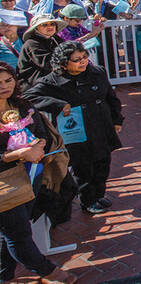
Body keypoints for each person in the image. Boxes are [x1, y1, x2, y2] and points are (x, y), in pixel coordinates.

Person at [25, 41, 123, 216]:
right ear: (63, 63)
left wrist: (117, 120)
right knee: (83, 168)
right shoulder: (52, 81)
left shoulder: (97, 72)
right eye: (76, 60)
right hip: (77, 132)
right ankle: (88, 200)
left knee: (103, 163)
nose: (83, 61)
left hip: (101, 126)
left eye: (84, 57)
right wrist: (57, 104)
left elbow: (111, 97)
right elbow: (29, 96)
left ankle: (98, 195)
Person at [0, 63, 75, 284]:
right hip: (5, 182)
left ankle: (4, 274)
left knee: (11, 230)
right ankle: (51, 273)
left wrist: (38, 146)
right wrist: (18, 154)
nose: (4, 86)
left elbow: (41, 131)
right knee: (19, 235)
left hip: (31, 175)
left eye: (8, 80)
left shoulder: (22, 105)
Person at [16, 15, 65, 92]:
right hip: (34, 86)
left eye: (52, 24)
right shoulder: (32, 43)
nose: (49, 27)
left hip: (53, 80)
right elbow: (48, 64)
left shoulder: (55, 39)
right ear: (36, 28)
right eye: (44, 25)